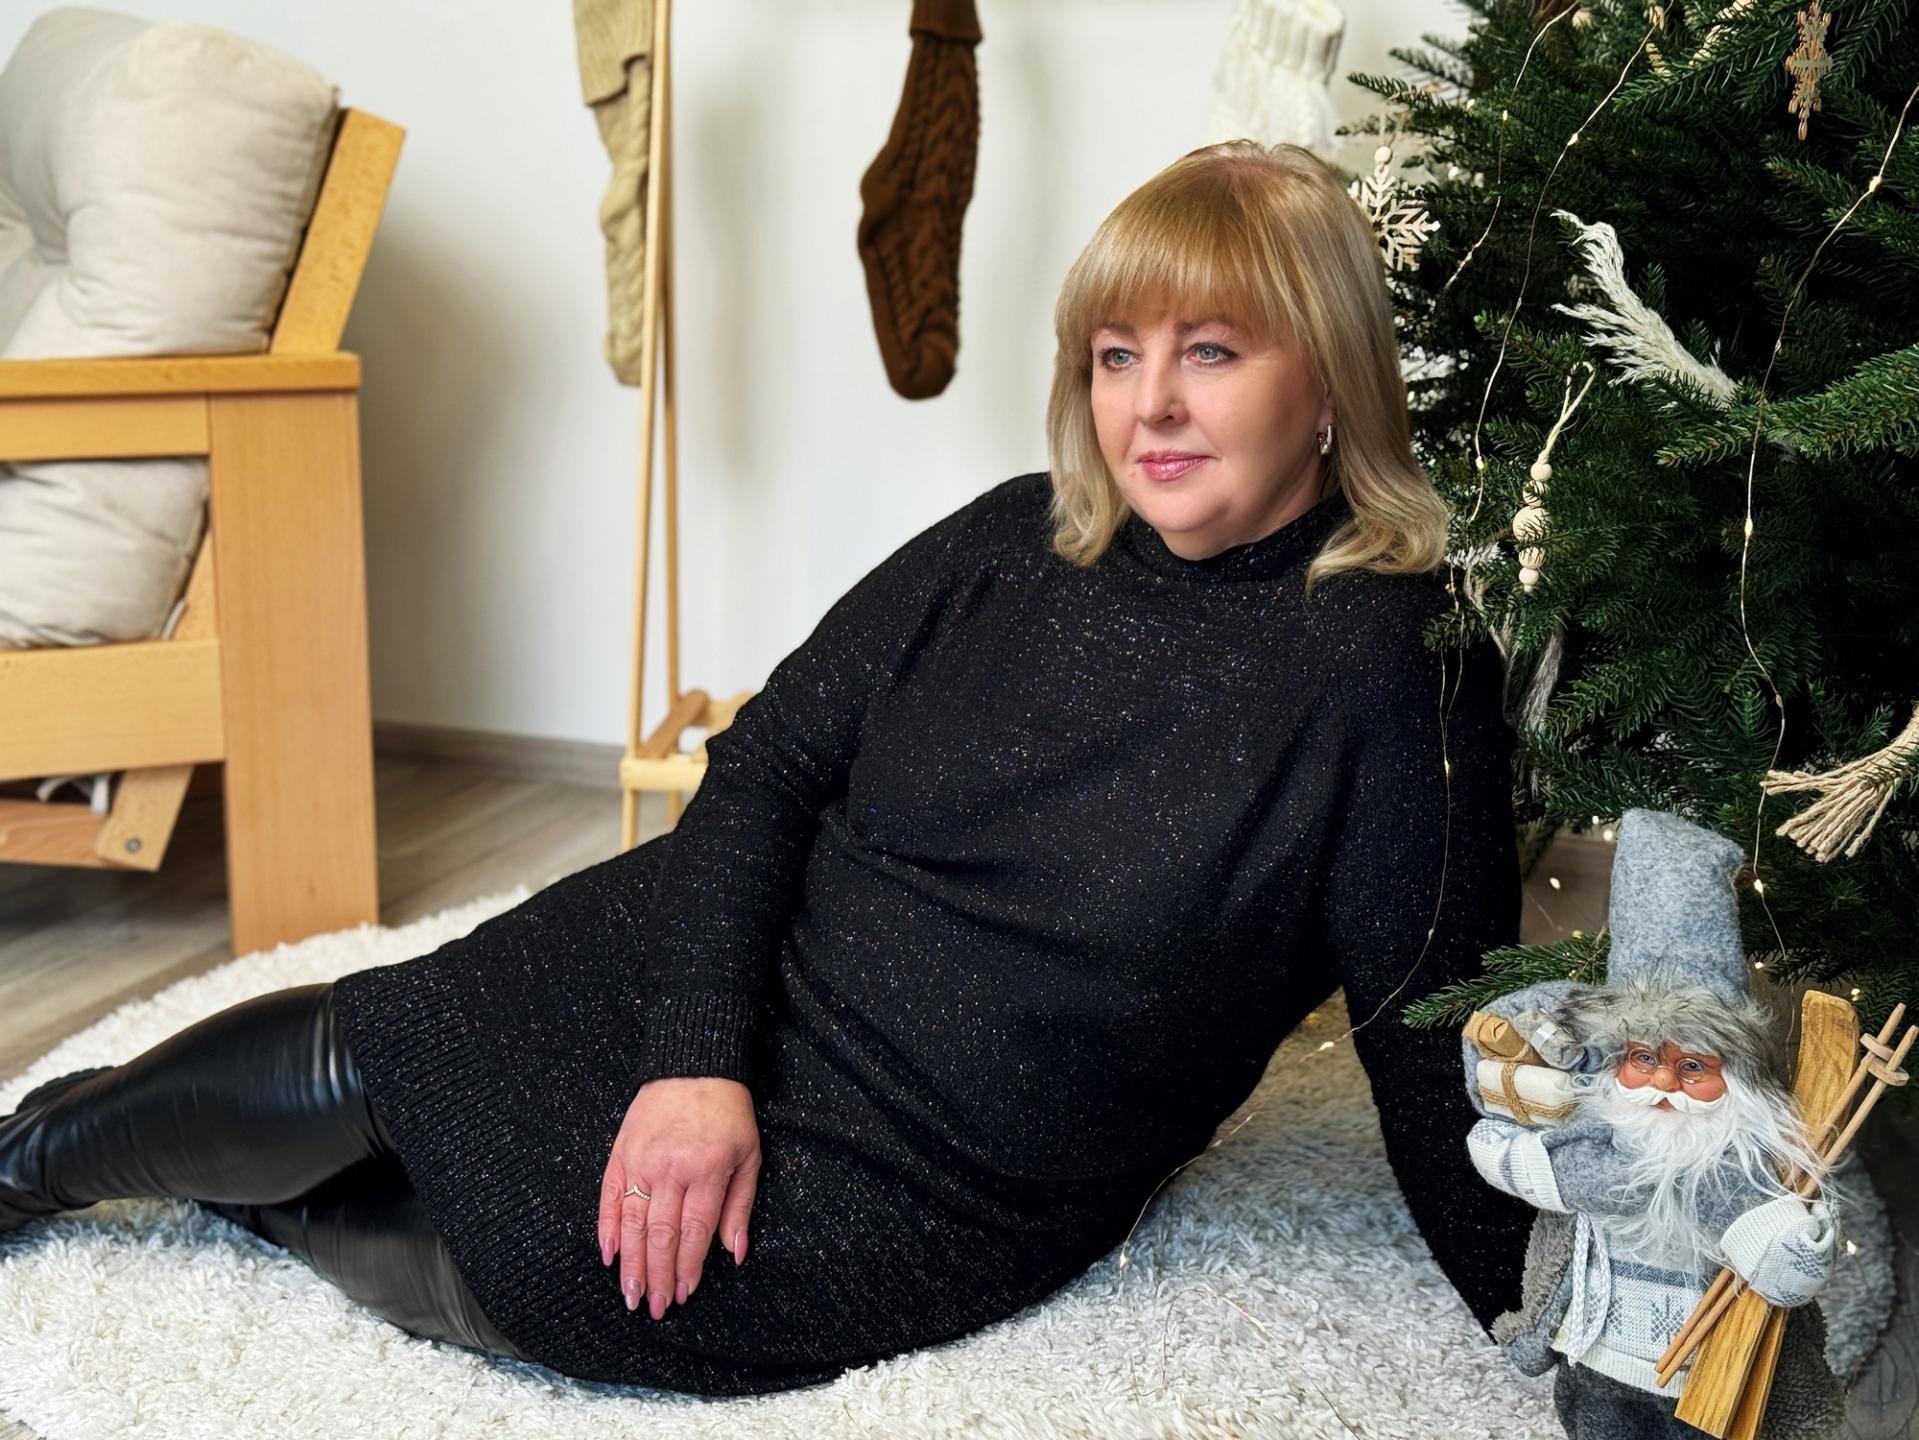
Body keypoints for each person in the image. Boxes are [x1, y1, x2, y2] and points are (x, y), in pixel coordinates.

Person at [0, 139, 1538, 1396]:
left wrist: (1538, 1328)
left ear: (1329, 380)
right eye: (1116, 355)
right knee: (388, 1046)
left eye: (1211, 352)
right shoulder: (1015, 539)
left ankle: (228, 1200)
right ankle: (25, 1160)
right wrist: (696, 1059)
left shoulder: (1397, 672)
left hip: (937, 1161)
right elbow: (767, 769)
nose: (1151, 407)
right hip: (741, 962)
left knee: (562, 1274)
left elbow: (1434, 1044)